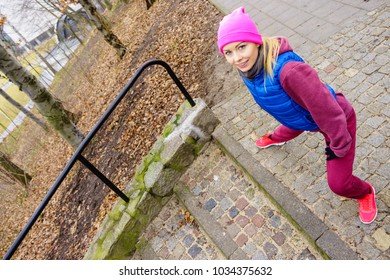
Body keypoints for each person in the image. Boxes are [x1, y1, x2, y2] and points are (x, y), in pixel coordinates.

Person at [217, 7, 377, 224]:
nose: (236, 58)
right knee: (288, 126)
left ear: (255, 41)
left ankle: (365, 193)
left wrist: (340, 145)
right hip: (301, 117)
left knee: (338, 184)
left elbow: (329, 112)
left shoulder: (289, 71)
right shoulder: (248, 67)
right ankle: (275, 138)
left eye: (241, 47)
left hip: (334, 119)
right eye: (228, 52)